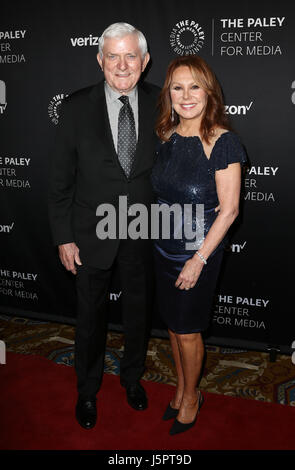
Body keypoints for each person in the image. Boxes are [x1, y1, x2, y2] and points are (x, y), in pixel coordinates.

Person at [48, 22, 160, 429]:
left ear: (145, 61)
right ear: (99, 60)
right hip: (90, 232)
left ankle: (132, 379)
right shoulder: (76, 107)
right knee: (90, 318)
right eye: (112, 55)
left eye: (131, 55)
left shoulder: (163, 101)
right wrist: (64, 237)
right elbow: (60, 180)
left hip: (144, 228)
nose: (122, 64)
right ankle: (87, 391)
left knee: (138, 313)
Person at [151, 55, 247, 435]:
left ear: (209, 91)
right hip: (162, 248)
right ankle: (180, 387)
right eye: (177, 87)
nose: (186, 95)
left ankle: (192, 396)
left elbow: (229, 210)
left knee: (188, 330)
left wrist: (198, 260)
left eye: (194, 86)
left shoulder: (223, 142)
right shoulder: (165, 135)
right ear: (168, 93)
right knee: (174, 328)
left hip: (198, 253)